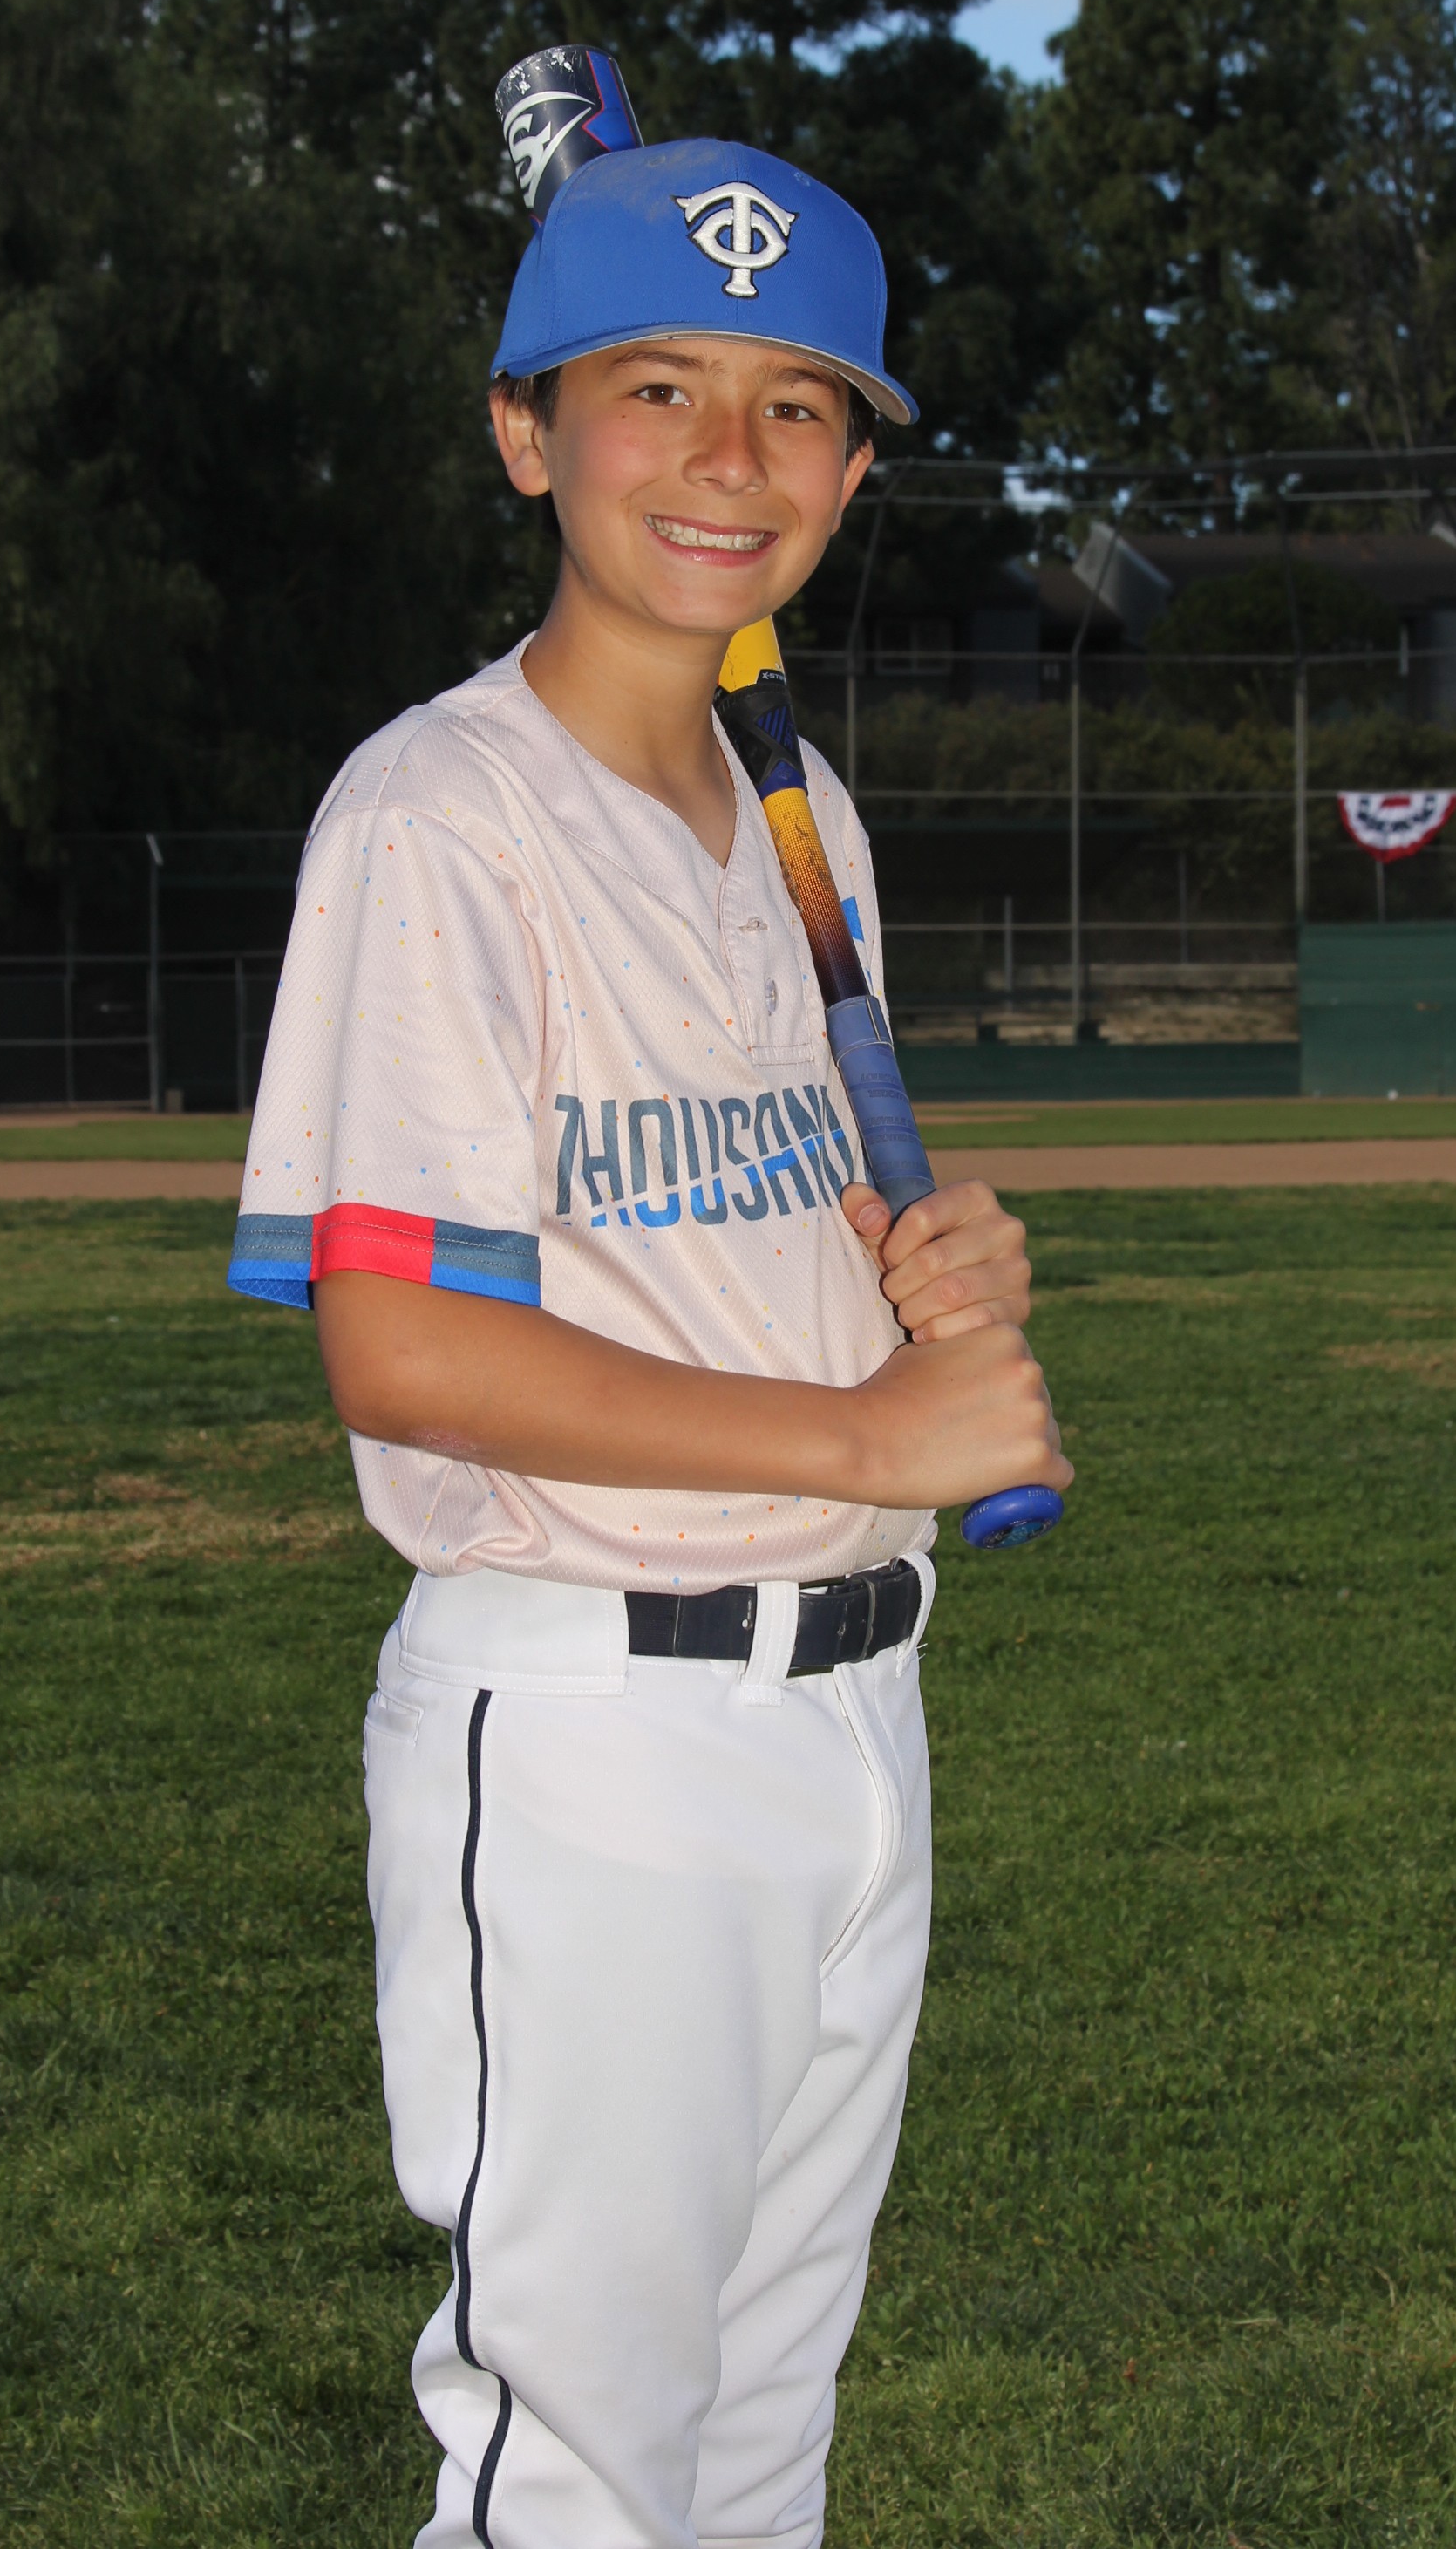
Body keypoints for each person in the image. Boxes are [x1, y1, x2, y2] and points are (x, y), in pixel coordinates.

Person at [228, 122, 1069, 2549]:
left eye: (798, 405)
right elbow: (404, 1350)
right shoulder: (441, 815)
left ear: (854, 473)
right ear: (528, 434)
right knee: (579, 2474)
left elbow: (760, 1219)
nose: (729, 457)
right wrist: (871, 1426)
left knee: (755, 2454)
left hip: (854, 1717)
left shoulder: (801, 817)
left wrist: (927, 1274)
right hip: (599, 1734)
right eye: (656, 390)